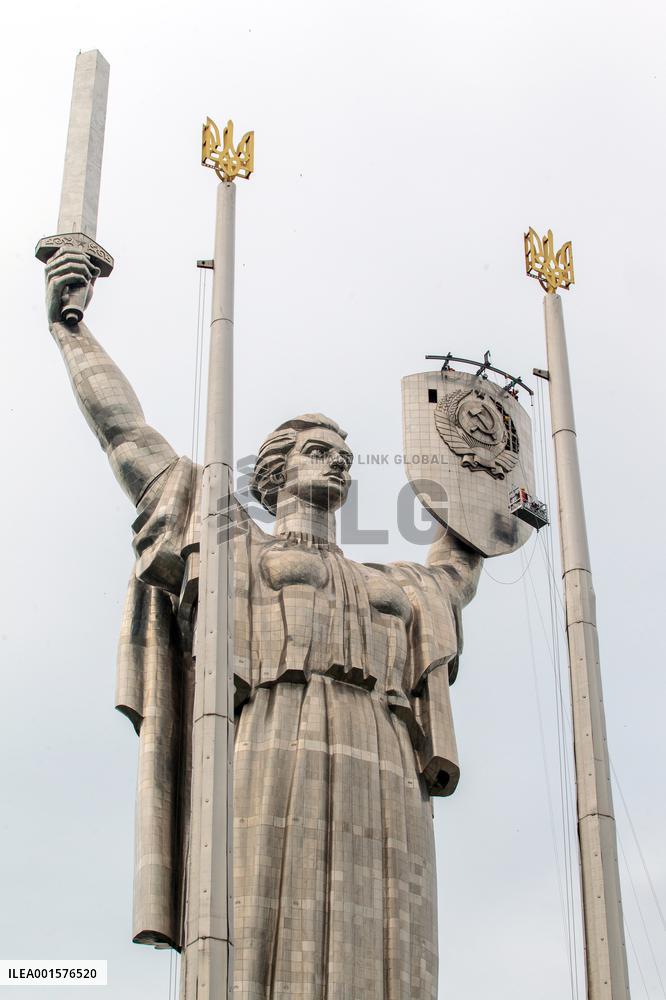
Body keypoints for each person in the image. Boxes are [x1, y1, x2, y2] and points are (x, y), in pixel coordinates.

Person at [45, 248, 482, 1000]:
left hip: (381, 753)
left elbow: (459, 565)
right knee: (253, 923)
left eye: (345, 456)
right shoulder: (233, 542)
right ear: (274, 472)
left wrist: (491, 484)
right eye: (319, 451)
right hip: (271, 734)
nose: (338, 463)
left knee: (389, 937)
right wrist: (71, 331)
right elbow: (129, 439)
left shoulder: (395, 584)